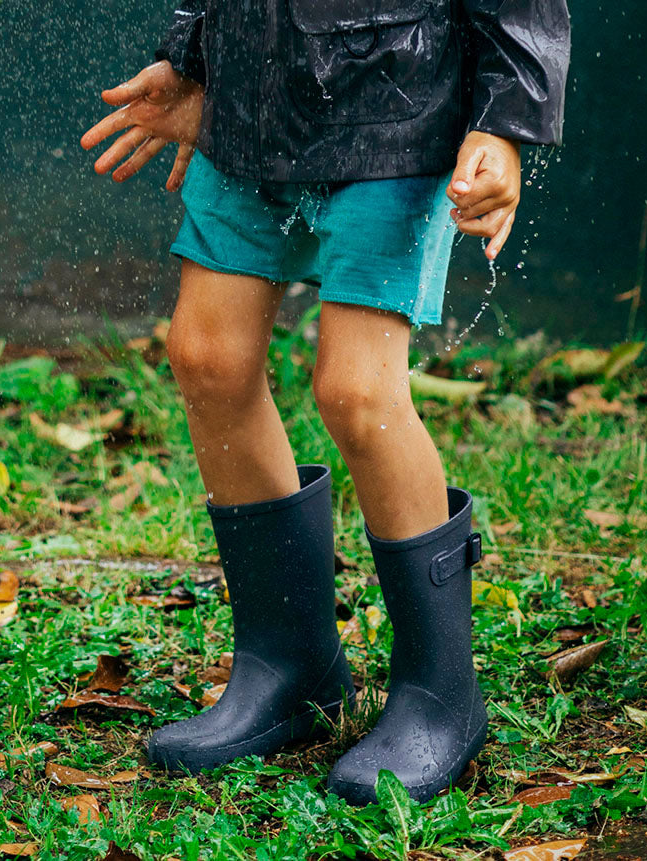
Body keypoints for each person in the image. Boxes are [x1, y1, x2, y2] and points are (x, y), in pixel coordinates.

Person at [81, 0, 570, 805]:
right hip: (250, 110)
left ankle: (439, 693)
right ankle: (287, 667)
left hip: (398, 113)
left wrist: (503, 122)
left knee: (356, 389)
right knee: (207, 358)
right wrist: (194, 57)